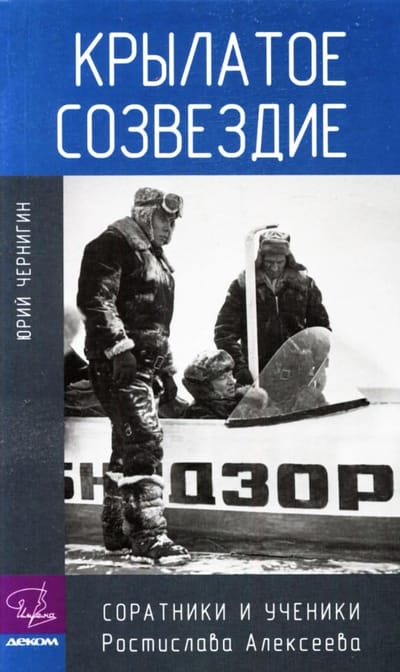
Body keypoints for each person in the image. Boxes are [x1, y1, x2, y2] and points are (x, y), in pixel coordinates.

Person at [77, 187, 190, 564]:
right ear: (144, 215)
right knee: (144, 441)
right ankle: (148, 535)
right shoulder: (111, 245)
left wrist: (167, 370)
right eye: (164, 219)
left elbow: (156, 325)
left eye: (173, 221)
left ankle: (117, 530)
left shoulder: (154, 259)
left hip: (144, 365)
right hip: (119, 365)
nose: (170, 227)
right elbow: (96, 300)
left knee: (126, 445)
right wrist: (118, 347)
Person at [214, 228, 330, 385]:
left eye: (279, 262)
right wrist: (240, 369)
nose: (274, 267)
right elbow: (224, 332)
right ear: (261, 258)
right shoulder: (243, 286)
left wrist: (320, 367)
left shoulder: (304, 285)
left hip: (299, 374)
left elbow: (321, 330)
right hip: (258, 375)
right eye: (269, 262)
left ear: (287, 259)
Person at [182, 349, 251, 419]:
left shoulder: (243, 401)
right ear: (207, 385)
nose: (231, 382)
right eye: (222, 377)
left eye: (230, 375)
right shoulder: (200, 413)